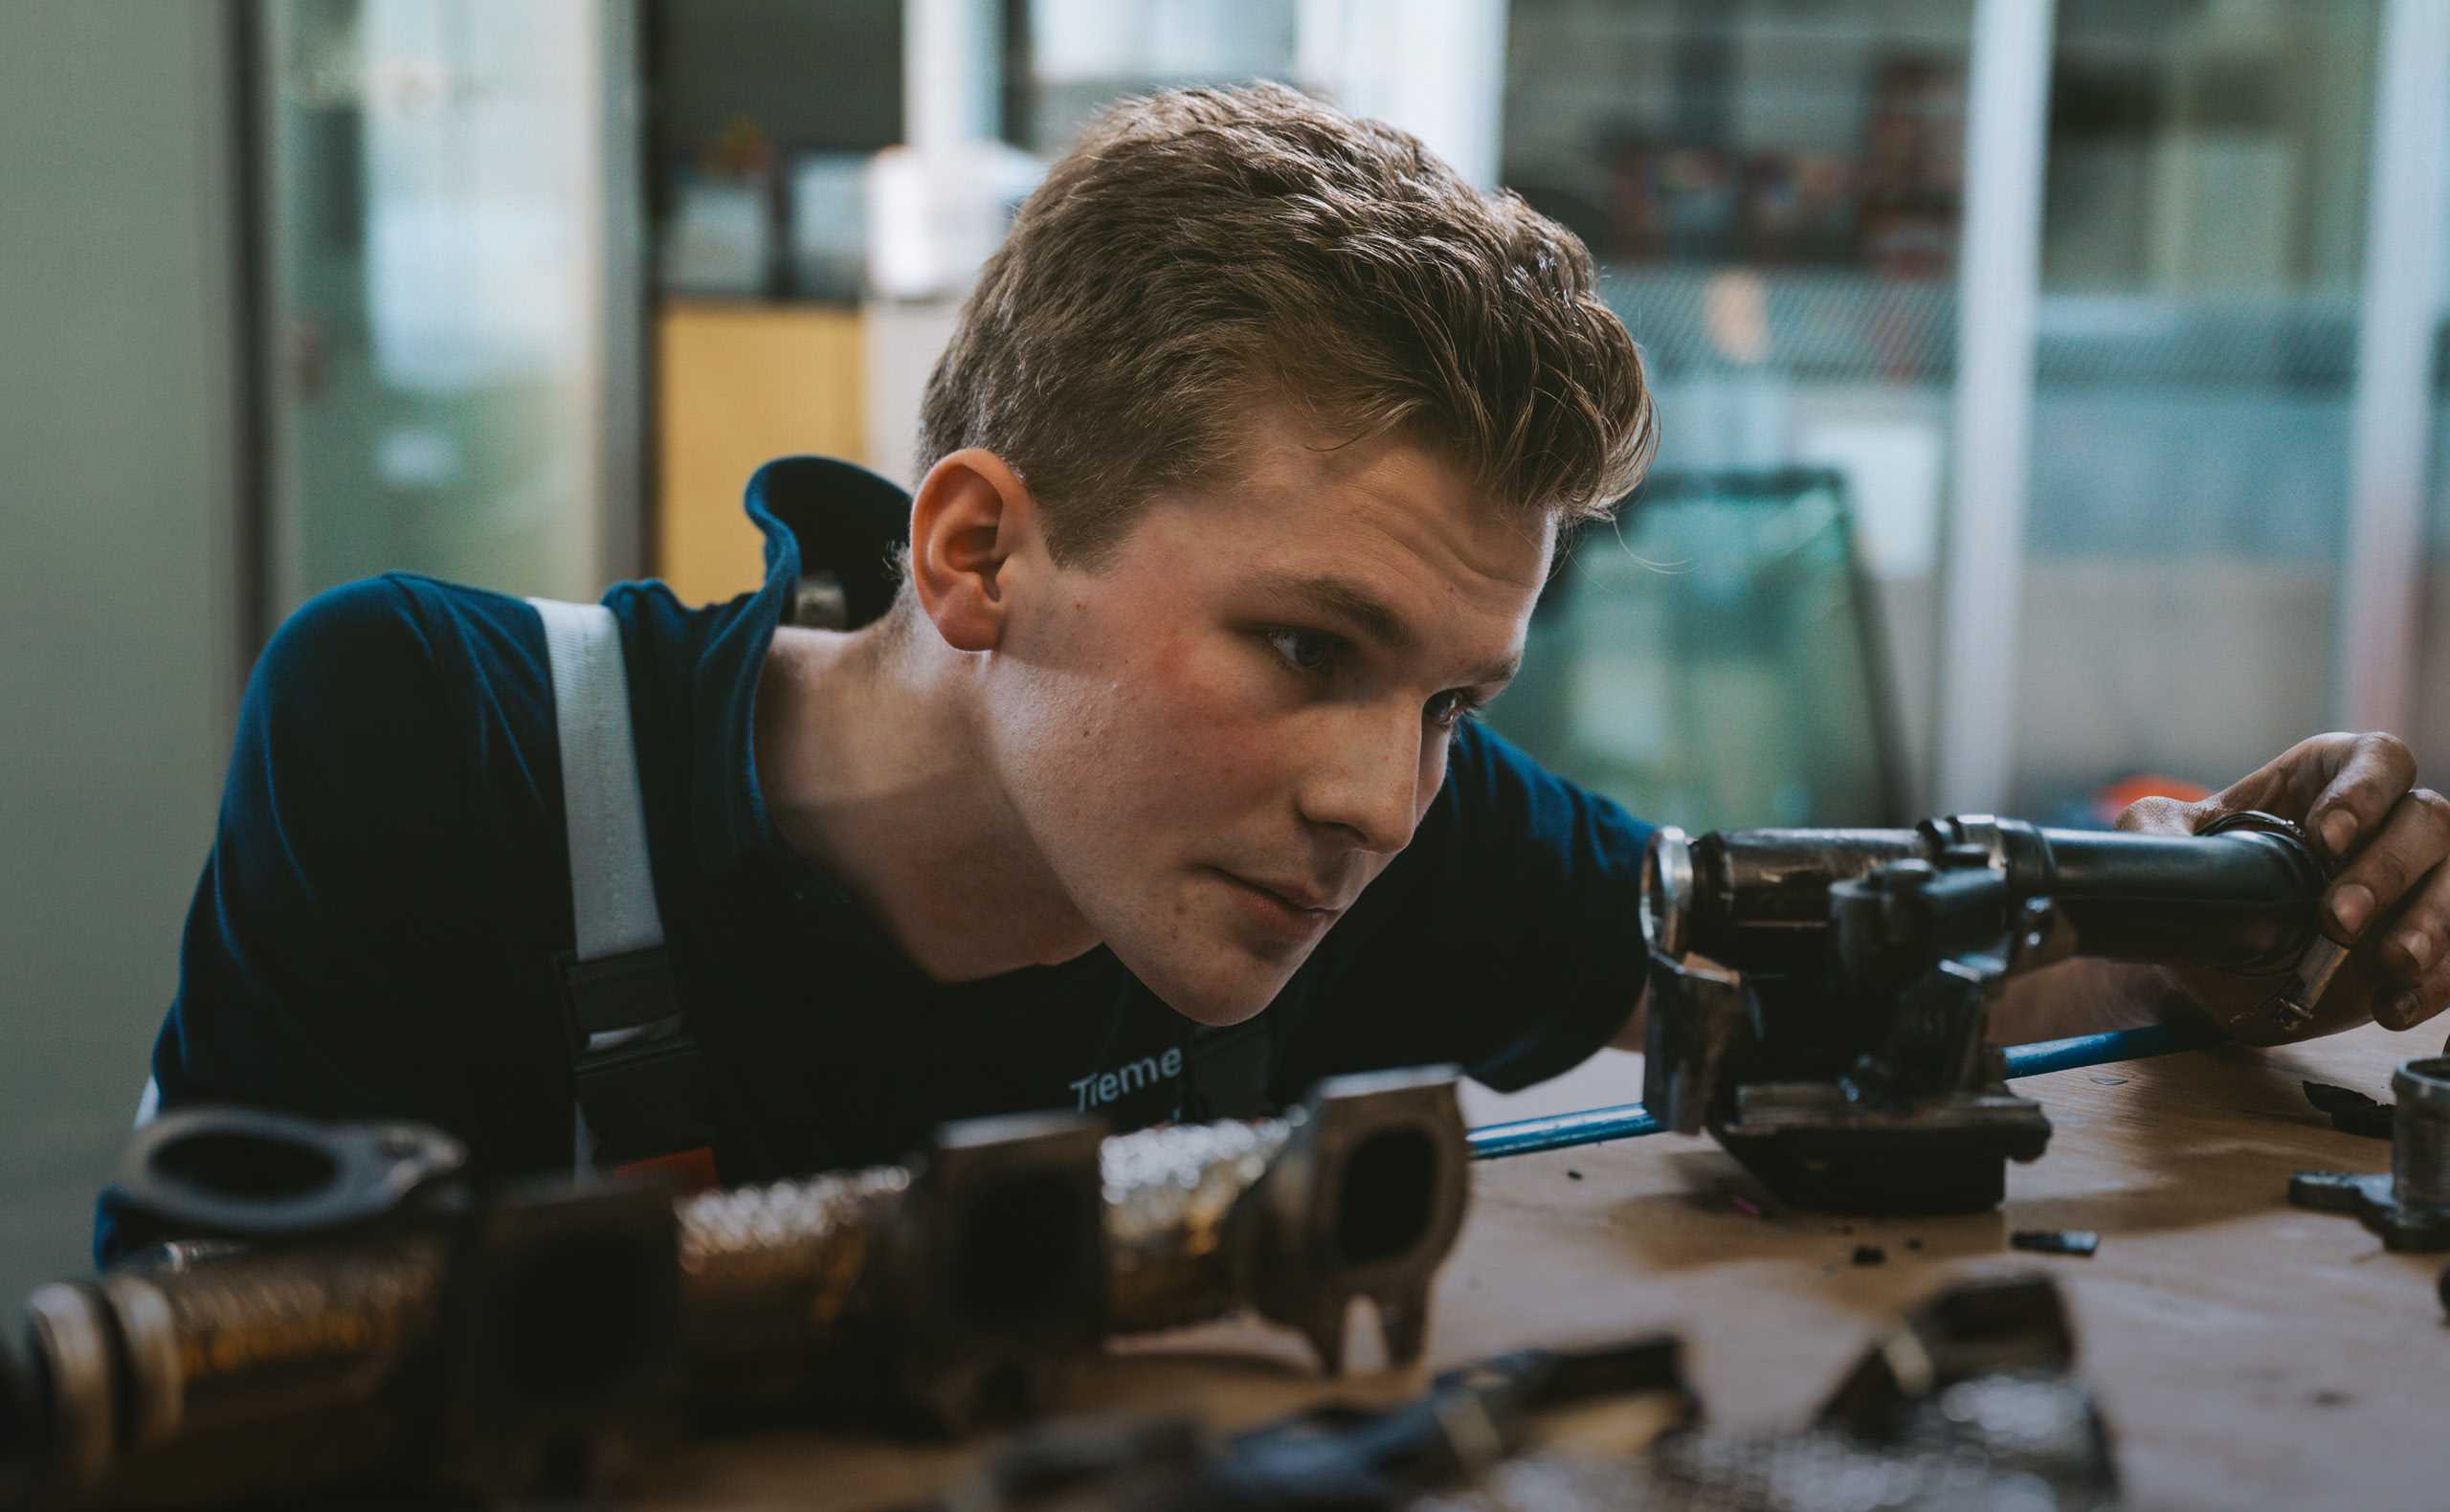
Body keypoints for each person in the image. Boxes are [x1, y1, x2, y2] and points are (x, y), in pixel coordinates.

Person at [97, 83, 2450, 1261]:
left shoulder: (1368, 837)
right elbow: (179, 1411)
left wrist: (2227, 929)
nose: (1378, 798)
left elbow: (1815, 972)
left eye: (1450, 700)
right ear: (979, 551)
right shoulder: (444, 751)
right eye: (1305, 646)